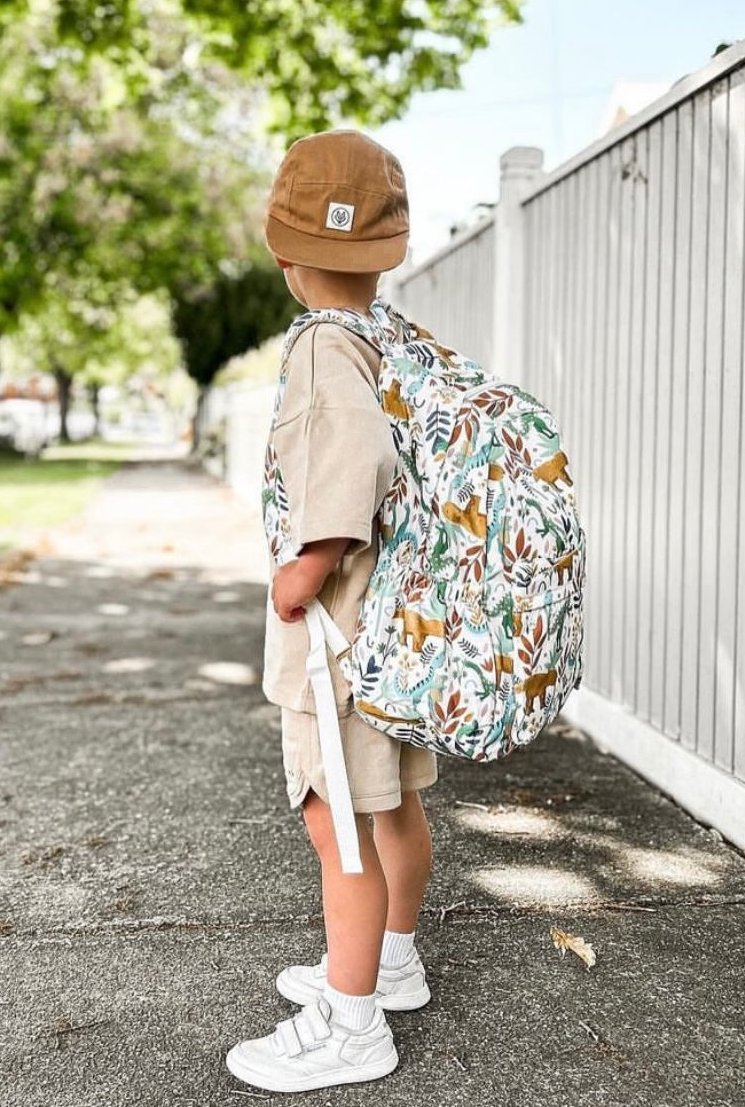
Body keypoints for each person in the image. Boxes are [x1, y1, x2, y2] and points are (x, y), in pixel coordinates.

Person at [225, 130, 438, 1093]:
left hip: (336, 638)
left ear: (282, 253)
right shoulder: (391, 338)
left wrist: (301, 569)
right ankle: (388, 965)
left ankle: (352, 1026)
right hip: (392, 634)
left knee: (336, 825)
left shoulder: (320, 347)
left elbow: (347, 465)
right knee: (392, 807)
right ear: (388, 251)